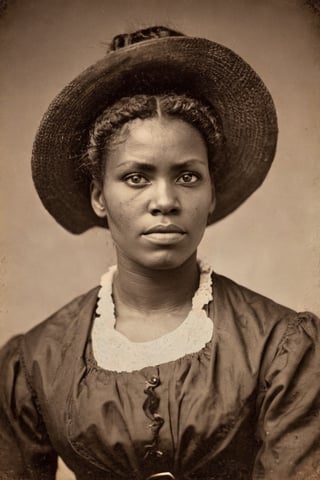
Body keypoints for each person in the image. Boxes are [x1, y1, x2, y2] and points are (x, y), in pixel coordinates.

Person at [0, 26, 319, 480]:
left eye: (188, 176)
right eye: (136, 177)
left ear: (211, 193)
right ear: (98, 195)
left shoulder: (282, 346)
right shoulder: (34, 362)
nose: (165, 200)